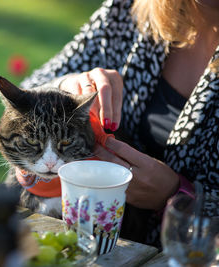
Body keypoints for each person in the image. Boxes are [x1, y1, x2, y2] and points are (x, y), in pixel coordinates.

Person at [20, 0, 219, 247]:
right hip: (83, 245)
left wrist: (177, 196)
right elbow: (29, 89)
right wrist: (66, 88)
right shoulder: (129, 10)